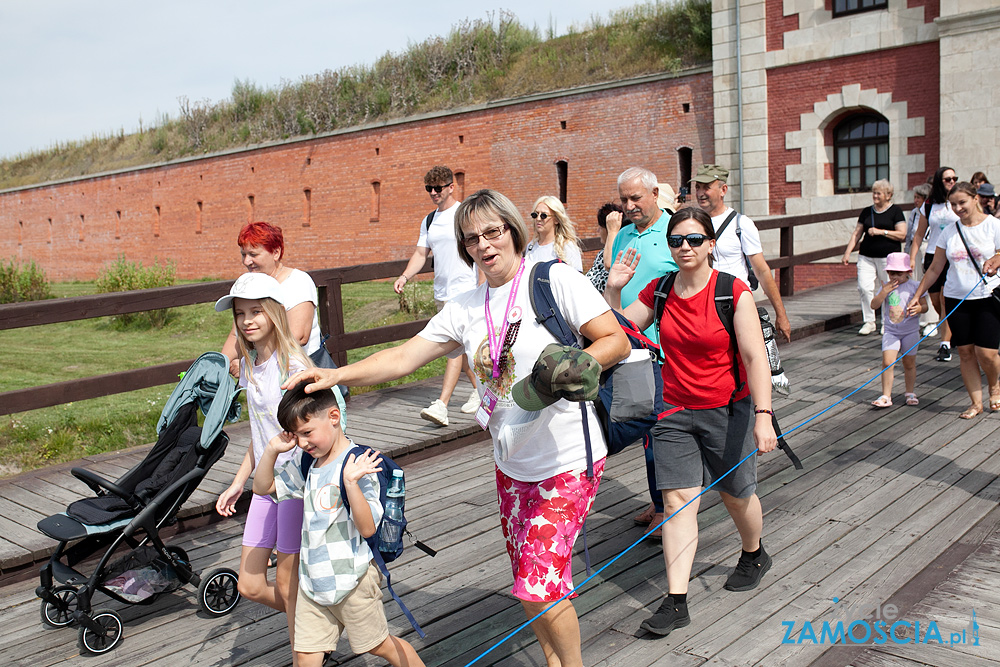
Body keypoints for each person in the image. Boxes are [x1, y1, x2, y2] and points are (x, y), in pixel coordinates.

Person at [285, 189, 629, 667]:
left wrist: (573, 366)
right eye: (471, 239)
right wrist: (337, 375)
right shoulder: (465, 306)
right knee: (530, 589)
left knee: (540, 584)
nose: (484, 245)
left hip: (568, 457)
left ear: (513, 230)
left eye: (493, 232)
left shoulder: (553, 279)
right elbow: (405, 356)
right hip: (511, 461)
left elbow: (614, 339)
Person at [604, 206, 777, 638]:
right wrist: (613, 292)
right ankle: (676, 601)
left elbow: (755, 357)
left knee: (737, 496)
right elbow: (620, 334)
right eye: (677, 240)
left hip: (728, 409)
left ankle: (754, 552)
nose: (684, 247)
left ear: (710, 244)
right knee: (678, 501)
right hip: (673, 410)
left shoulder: (731, 291)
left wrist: (763, 416)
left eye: (694, 239)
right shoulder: (660, 289)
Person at [252, 383, 425, 667]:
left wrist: (350, 483)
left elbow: (368, 528)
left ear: (334, 417)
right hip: (312, 583)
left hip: (353, 580)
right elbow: (263, 487)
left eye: (307, 433)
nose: (303, 442)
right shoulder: (307, 463)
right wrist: (272, 449)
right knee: (305, 657)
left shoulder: (360, 463)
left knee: (381, 645)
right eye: (297, 436)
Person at [214, 273, 314, 660]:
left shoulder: (294, 368)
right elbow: (260, 436)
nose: (247, 321)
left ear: (274, 312)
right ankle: (314, 619)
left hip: (293, 490)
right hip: (263, 487)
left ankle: (304, 653)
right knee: (250, 584)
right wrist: (238, 482)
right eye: (240, 314)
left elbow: (314, 435)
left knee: (288, 586)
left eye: (256, 311)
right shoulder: (252, 366)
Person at [609, 166, 679, 538]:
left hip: (668, 350)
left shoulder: (675, 232)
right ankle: (659, 500)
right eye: (624, 199)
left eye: (636, 197)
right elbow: (616, 288)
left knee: (661, 428)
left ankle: (668, 506)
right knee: (645, 424)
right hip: (633, 349)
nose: (630, 205)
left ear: (654, 193)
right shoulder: (623, 235)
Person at [394, 166, 480, 426]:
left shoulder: (464, 213)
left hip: (466, 289)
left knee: (453, 347)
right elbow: (421, 254)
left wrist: (484, 283)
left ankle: (441, 405)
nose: (433, 193)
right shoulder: (429, 220)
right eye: (428, 189)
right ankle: (481, 391)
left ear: (451, 187)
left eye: (438, 188)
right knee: (465, 347)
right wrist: (405, 276)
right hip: (442, 292)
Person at [908, 182, 1000, 419]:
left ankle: (994, 386)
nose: (958, 208)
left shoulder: (993, 226)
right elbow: (935, 268)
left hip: (987, 296)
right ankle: (976, 402)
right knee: (966, 352)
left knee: (987, 353)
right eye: (953, 204)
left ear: (975, 198)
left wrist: (998, 258)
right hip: (956, 298)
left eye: (962, 202)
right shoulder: (950, 231)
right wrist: (917, 295)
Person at [691, 164, 792, 342]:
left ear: (723, 190)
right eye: (697, 187)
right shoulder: (693, 224)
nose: (700, 193)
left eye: (706, 187)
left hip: (735, 305)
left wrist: (781, 314)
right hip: (703, 305)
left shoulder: (740, 224)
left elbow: (761, 270)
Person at [221, 222, 322, 378]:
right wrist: (220, 366)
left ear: (276, 253)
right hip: (267, 374)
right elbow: (237, 334)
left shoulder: (297, 281)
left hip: (300, 375)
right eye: (243, 254)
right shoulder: (251, 284)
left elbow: (298, 336)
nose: (246, 261)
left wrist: (248, 361)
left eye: (253, 254)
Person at [841, 179, 906, 335]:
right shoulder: (866, 211)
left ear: (888, 195)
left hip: (888, 258)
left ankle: (887, 321)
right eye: (874, 193)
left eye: (878, 193)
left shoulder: (895, 211)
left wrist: (881, 232)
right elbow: (857, 233)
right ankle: (869, 321)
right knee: (864, 287)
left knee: (888, 289)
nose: (875, 196)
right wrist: (848, 252)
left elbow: (902, 234)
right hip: (866, 256)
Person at [910, 167, 961, 359]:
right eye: (948, 179)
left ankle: (944, 344)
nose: (952, 182)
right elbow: (919, 234)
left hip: (953, 255)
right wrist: (912, 258)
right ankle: (952, 330)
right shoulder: (929, 205)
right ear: (939, 181)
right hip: (932, 255)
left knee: (945, 298)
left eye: (954, 178)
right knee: (936, 301)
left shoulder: (957, 202)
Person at [870, 253, 928, 408]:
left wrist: (919, 308)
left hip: (910, 331)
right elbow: (874, 305)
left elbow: (925, 306)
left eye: (899, 273)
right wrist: (883, 292)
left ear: (908, 272)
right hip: (891, 331)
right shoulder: (886, 286)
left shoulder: (915, 286)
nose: (895, 276)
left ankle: (910, 392)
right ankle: (886, 395)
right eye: (891, 273)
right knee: (887, 362)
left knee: (909, 363)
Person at [524, 196, 583, 271]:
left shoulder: (567, 246)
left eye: (543, 215)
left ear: (556, 220)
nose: (538, 219)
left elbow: (576, 279)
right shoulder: (531, 247)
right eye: (535, 214)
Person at [585, 202, 625, 293]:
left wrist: (612, 231)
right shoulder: (601, 254)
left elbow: (609, 264)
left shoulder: (622, 252)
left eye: (601, 227)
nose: (598, 230)